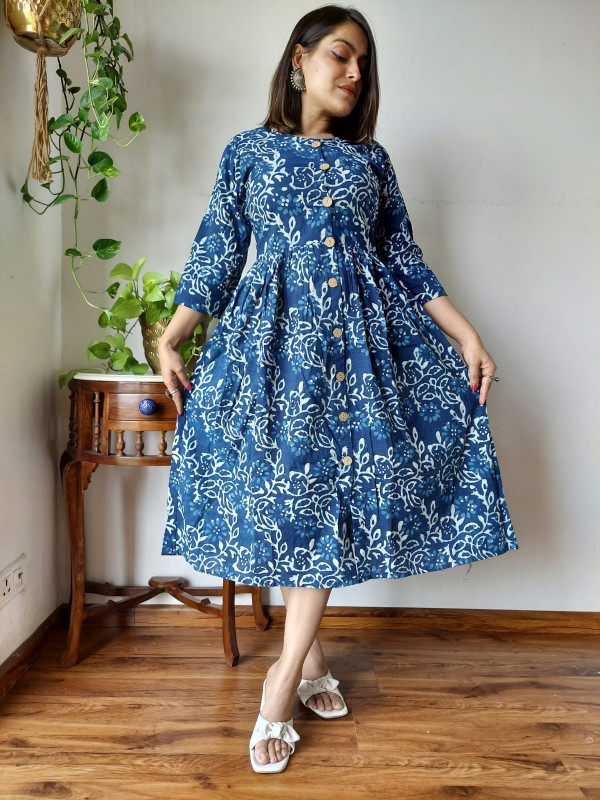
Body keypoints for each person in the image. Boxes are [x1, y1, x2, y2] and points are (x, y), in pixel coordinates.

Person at [158, 4, 518, 774]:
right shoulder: (248, 152)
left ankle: (282, 680)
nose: (356, 74)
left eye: (364, 65)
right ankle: (314, 661)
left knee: (317, 500)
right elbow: (218, 249)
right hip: (267, 352)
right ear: (300, 59)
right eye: (341, 57)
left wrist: (466, 334)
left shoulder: (370, 162)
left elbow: (407, 261)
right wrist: (172, 333)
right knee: (280, 499)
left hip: (353, 357)